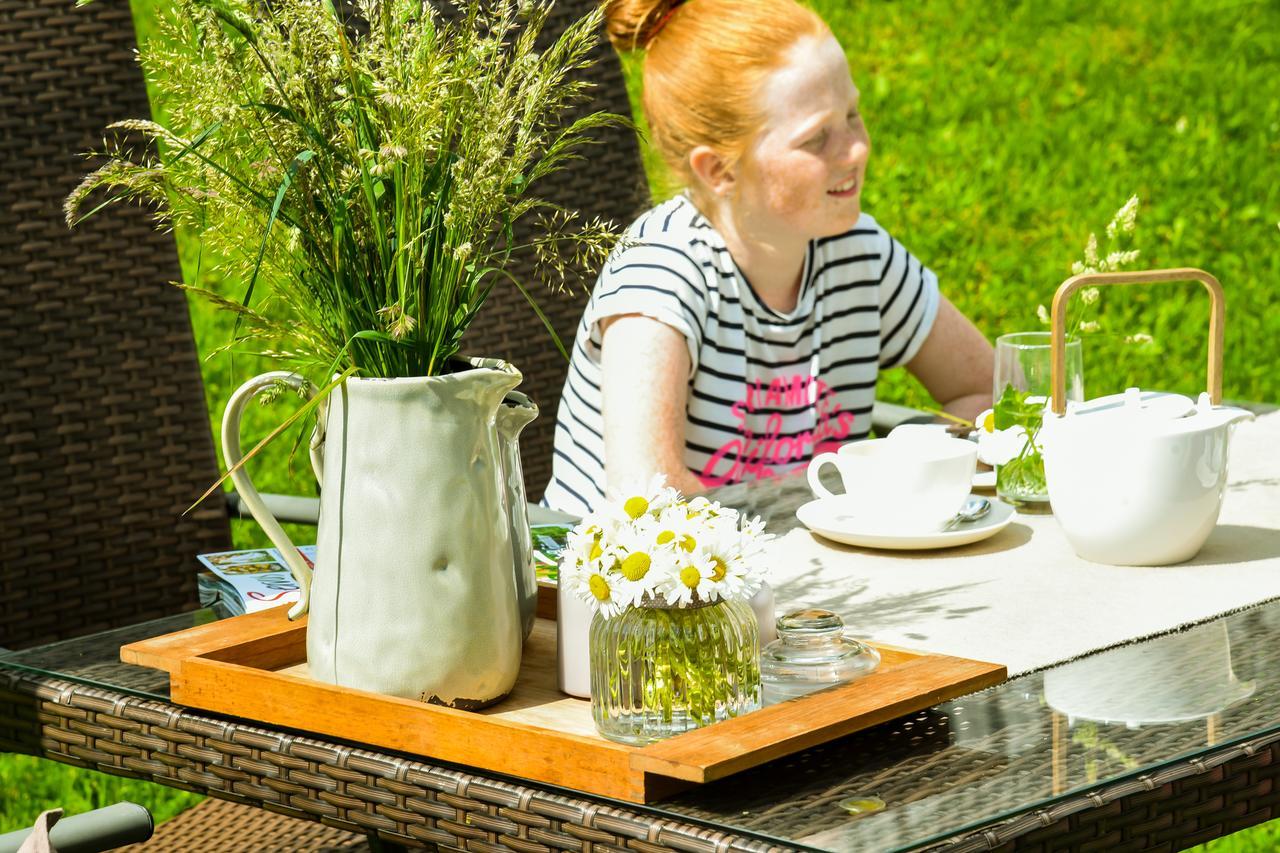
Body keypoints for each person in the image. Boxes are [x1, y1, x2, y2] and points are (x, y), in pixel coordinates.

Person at [542, 0, 993, 516]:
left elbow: (989, 392)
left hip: (816, 576)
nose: (857, 148)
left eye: (852, 114)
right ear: (719, 171)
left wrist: (902, 472)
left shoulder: (859, 257)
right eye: (817, 138)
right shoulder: (662, 279)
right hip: (638, 586)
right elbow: (646, 500)